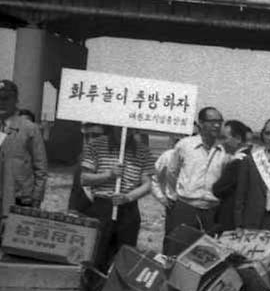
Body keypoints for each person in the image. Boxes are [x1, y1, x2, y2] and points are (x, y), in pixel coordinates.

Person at [79, 125, 155, 269]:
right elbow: (85, 178)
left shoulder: (143, 150)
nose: (125, 132)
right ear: (114, 126)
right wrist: (109, 175)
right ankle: (91, 288)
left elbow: (148, 184)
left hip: (129, 208)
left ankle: (116, 289)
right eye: (120, 128)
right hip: (102, 206)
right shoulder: (96, 145)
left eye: (130, 129)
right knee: (96, 253)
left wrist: (128, 197)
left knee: (125, 255)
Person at [163, 106, 228, 252]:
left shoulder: (224, 150)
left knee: (205, 256)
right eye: (212, 121)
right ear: (201, 123)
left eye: (220, 121)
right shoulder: (185, 145)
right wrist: (173, 196)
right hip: (186, 207)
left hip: (212, 211)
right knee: (176, 250)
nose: (217, 125)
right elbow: (172, 172)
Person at [0, 79, 47, 217]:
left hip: (20, 196)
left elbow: (41, 167)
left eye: (5, 98)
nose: (1, 103)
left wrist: (37, 197)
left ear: (15, 100)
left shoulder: (29, 128)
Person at [210, 119, 252, 233]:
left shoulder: (238, 161)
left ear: (237, 138)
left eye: (225, 138)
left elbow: (218, 189)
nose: (222, 142)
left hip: (231, 217)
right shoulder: (253, 157)